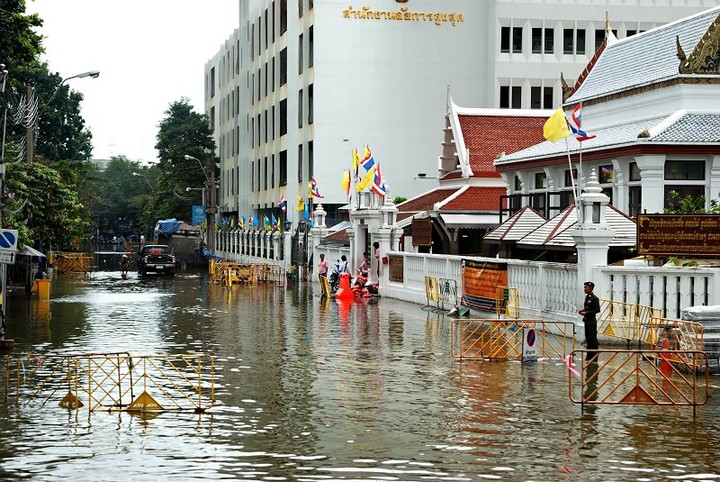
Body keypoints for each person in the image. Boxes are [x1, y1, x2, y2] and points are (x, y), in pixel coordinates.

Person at [579, 281, 600, 361]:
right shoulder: (587, 297)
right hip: (587, 321)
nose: (584, 289)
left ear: (590, 288)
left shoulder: (594, 298)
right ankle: (589, 355)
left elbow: (597, 310)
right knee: (588, 339)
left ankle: (594, 356)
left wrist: (586, 313)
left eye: (586, 287)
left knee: (592, 339)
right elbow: (588, 308)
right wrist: (583, 311)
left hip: (591, 322)